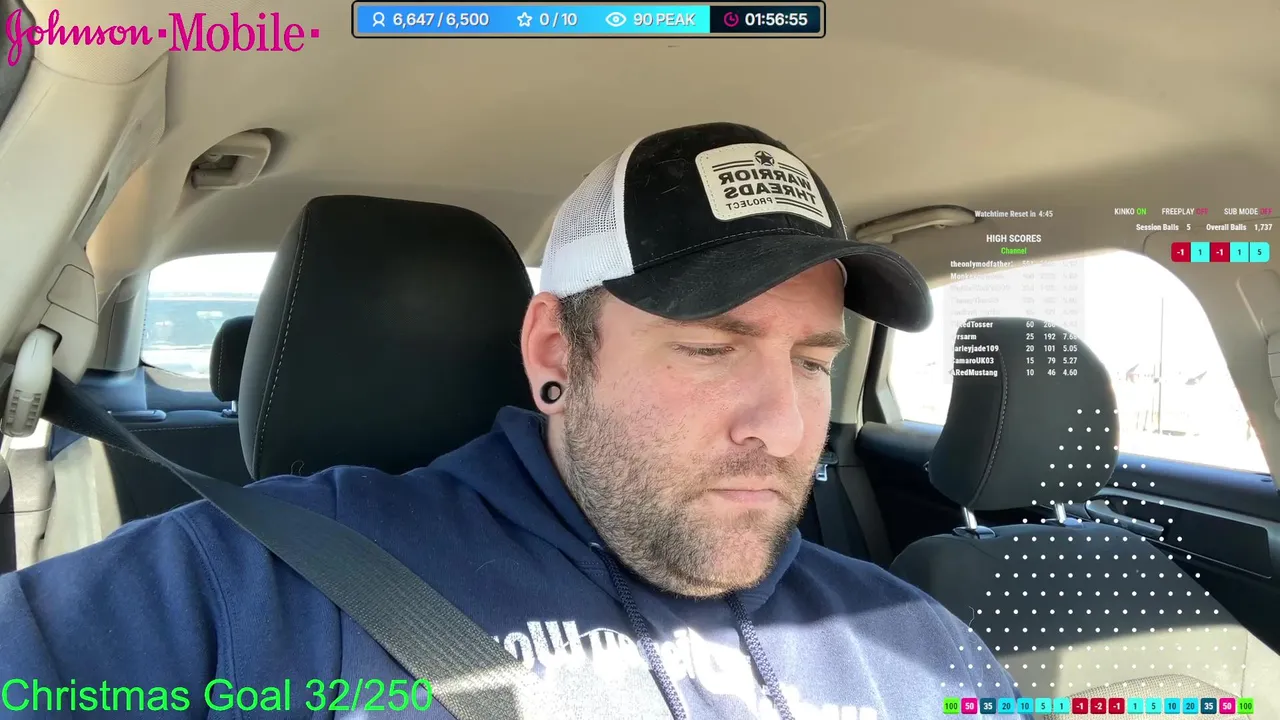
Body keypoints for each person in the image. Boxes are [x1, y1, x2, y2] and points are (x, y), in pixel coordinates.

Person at [0, 122, 1022, 718]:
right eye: (710, 349)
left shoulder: (912, 642)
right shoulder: (256, 588)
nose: (785, 428)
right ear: (554, 354)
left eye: (810, 363)